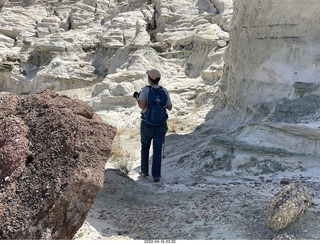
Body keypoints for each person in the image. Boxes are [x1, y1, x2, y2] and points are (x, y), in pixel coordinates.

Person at [135, 69, 172, 182]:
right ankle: (156, 175)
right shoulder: (164, 91)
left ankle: (144, 171)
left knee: (145, 146)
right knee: (157, 150)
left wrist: (137, 97)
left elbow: (142, 106)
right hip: (160, 125)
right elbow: (169, 107)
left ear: (150, 79)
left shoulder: (145, 90)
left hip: (147, 123)